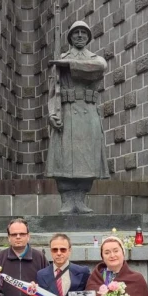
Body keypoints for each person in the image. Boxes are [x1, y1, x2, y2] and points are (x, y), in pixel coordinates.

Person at [46, 21, 110, 214]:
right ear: (70, 37)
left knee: (87, 160)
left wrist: (68, 64)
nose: (80, 35)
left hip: (88, 113)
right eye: (76, 33)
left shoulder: (94, 58)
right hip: (67, 112)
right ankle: (67, 200)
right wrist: (52, 113)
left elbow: (100, 67)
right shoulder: (61, 58)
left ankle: (81, 200)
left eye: (84, 32)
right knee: (64, 159)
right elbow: (52, 91)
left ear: (88, 37)